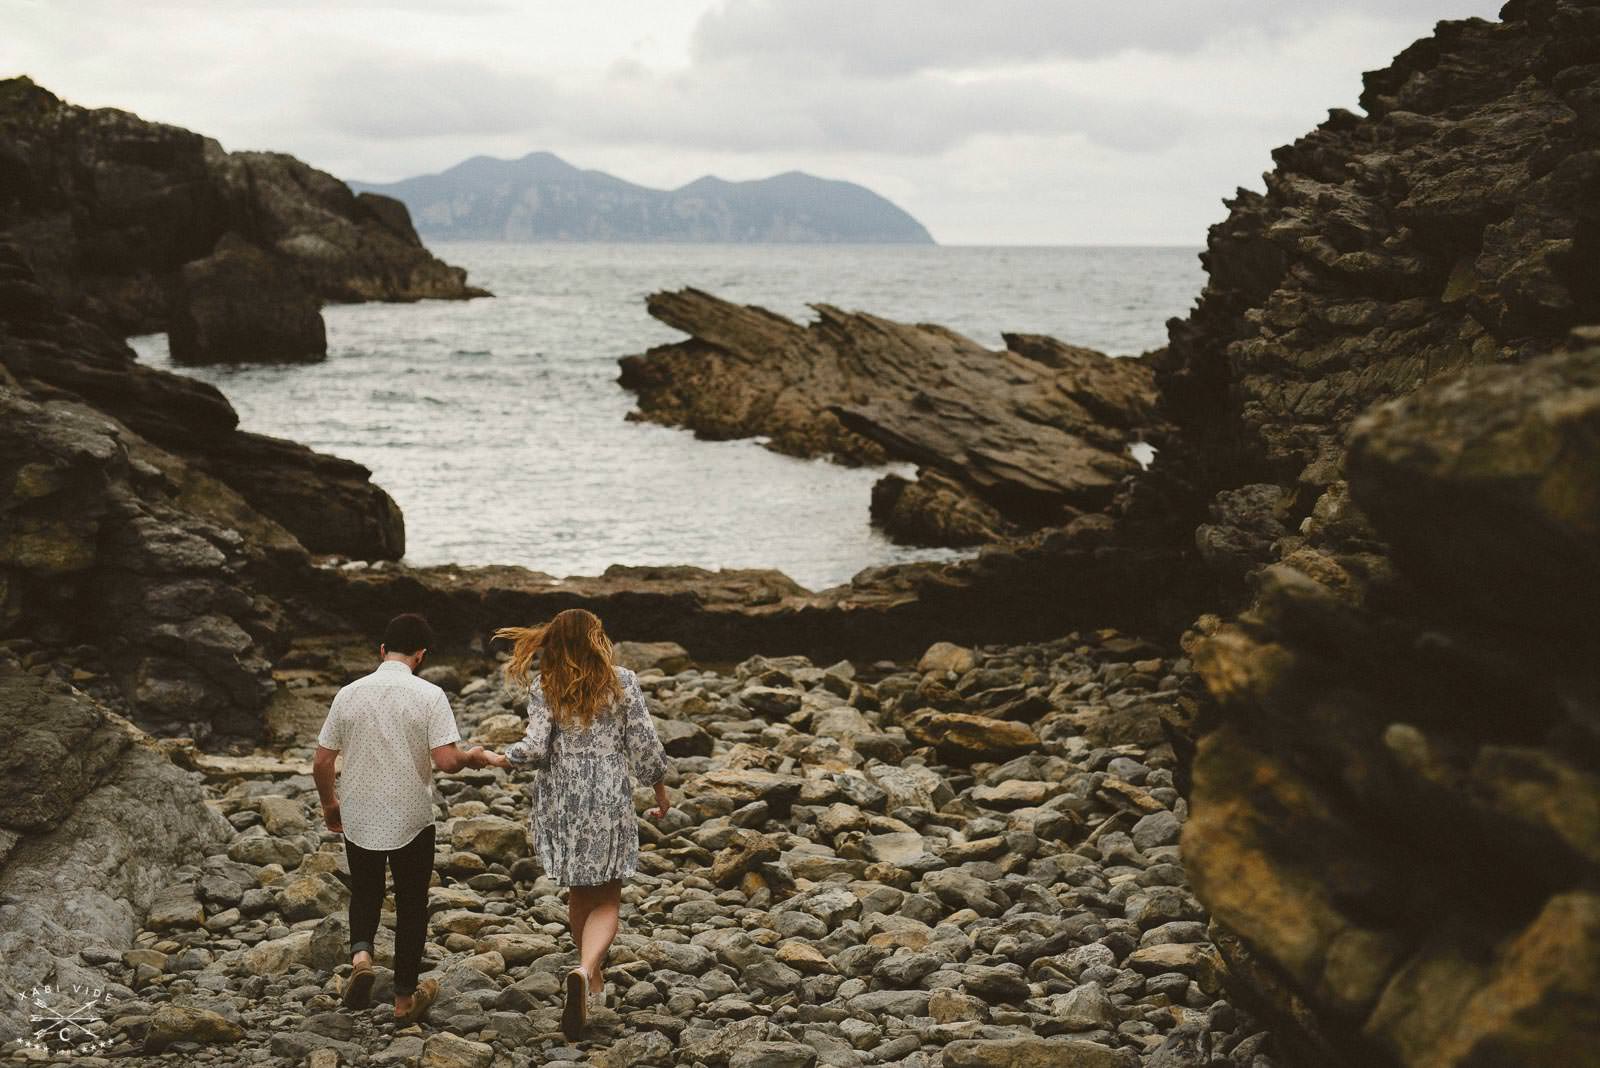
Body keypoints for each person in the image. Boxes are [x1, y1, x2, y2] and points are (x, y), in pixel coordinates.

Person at [480, 608, 670, 1040]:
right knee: (609, 895)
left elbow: (535, 748)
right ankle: (586, 970)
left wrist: (497, 757)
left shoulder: (547, 684)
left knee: (580, 890)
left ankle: (593, 979)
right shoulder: (622, 681)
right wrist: (659, 788)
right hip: (606, 796)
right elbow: (643, 744)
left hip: (563, 798)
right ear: (594, 639)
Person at [312, 613, 494, 1023]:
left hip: (359, 812)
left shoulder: (349, 694)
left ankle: (361, 956)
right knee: (412, 905)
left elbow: (323, 760)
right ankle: (402, 1001)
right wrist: (474, 756)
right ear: (421, 655)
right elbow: (446, 762)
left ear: (382, 650)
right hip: (411, 815)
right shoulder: (428, 695)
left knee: (365, 890)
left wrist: (330, 805)